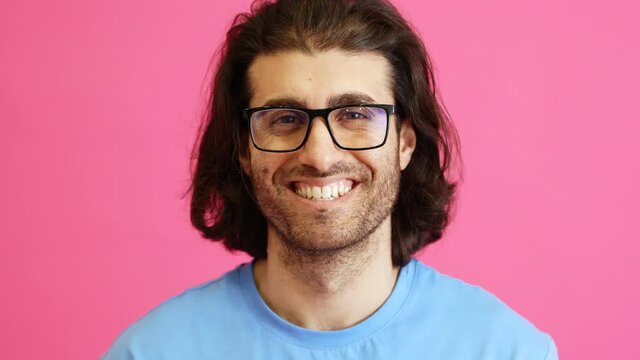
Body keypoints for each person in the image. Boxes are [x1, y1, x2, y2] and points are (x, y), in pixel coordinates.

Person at [102, 0, 558, 358]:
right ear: (243, 148)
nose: (319, 156)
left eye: (356, 114)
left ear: (404, 142)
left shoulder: (508, 351)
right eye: (283, 118)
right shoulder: (149, 353)